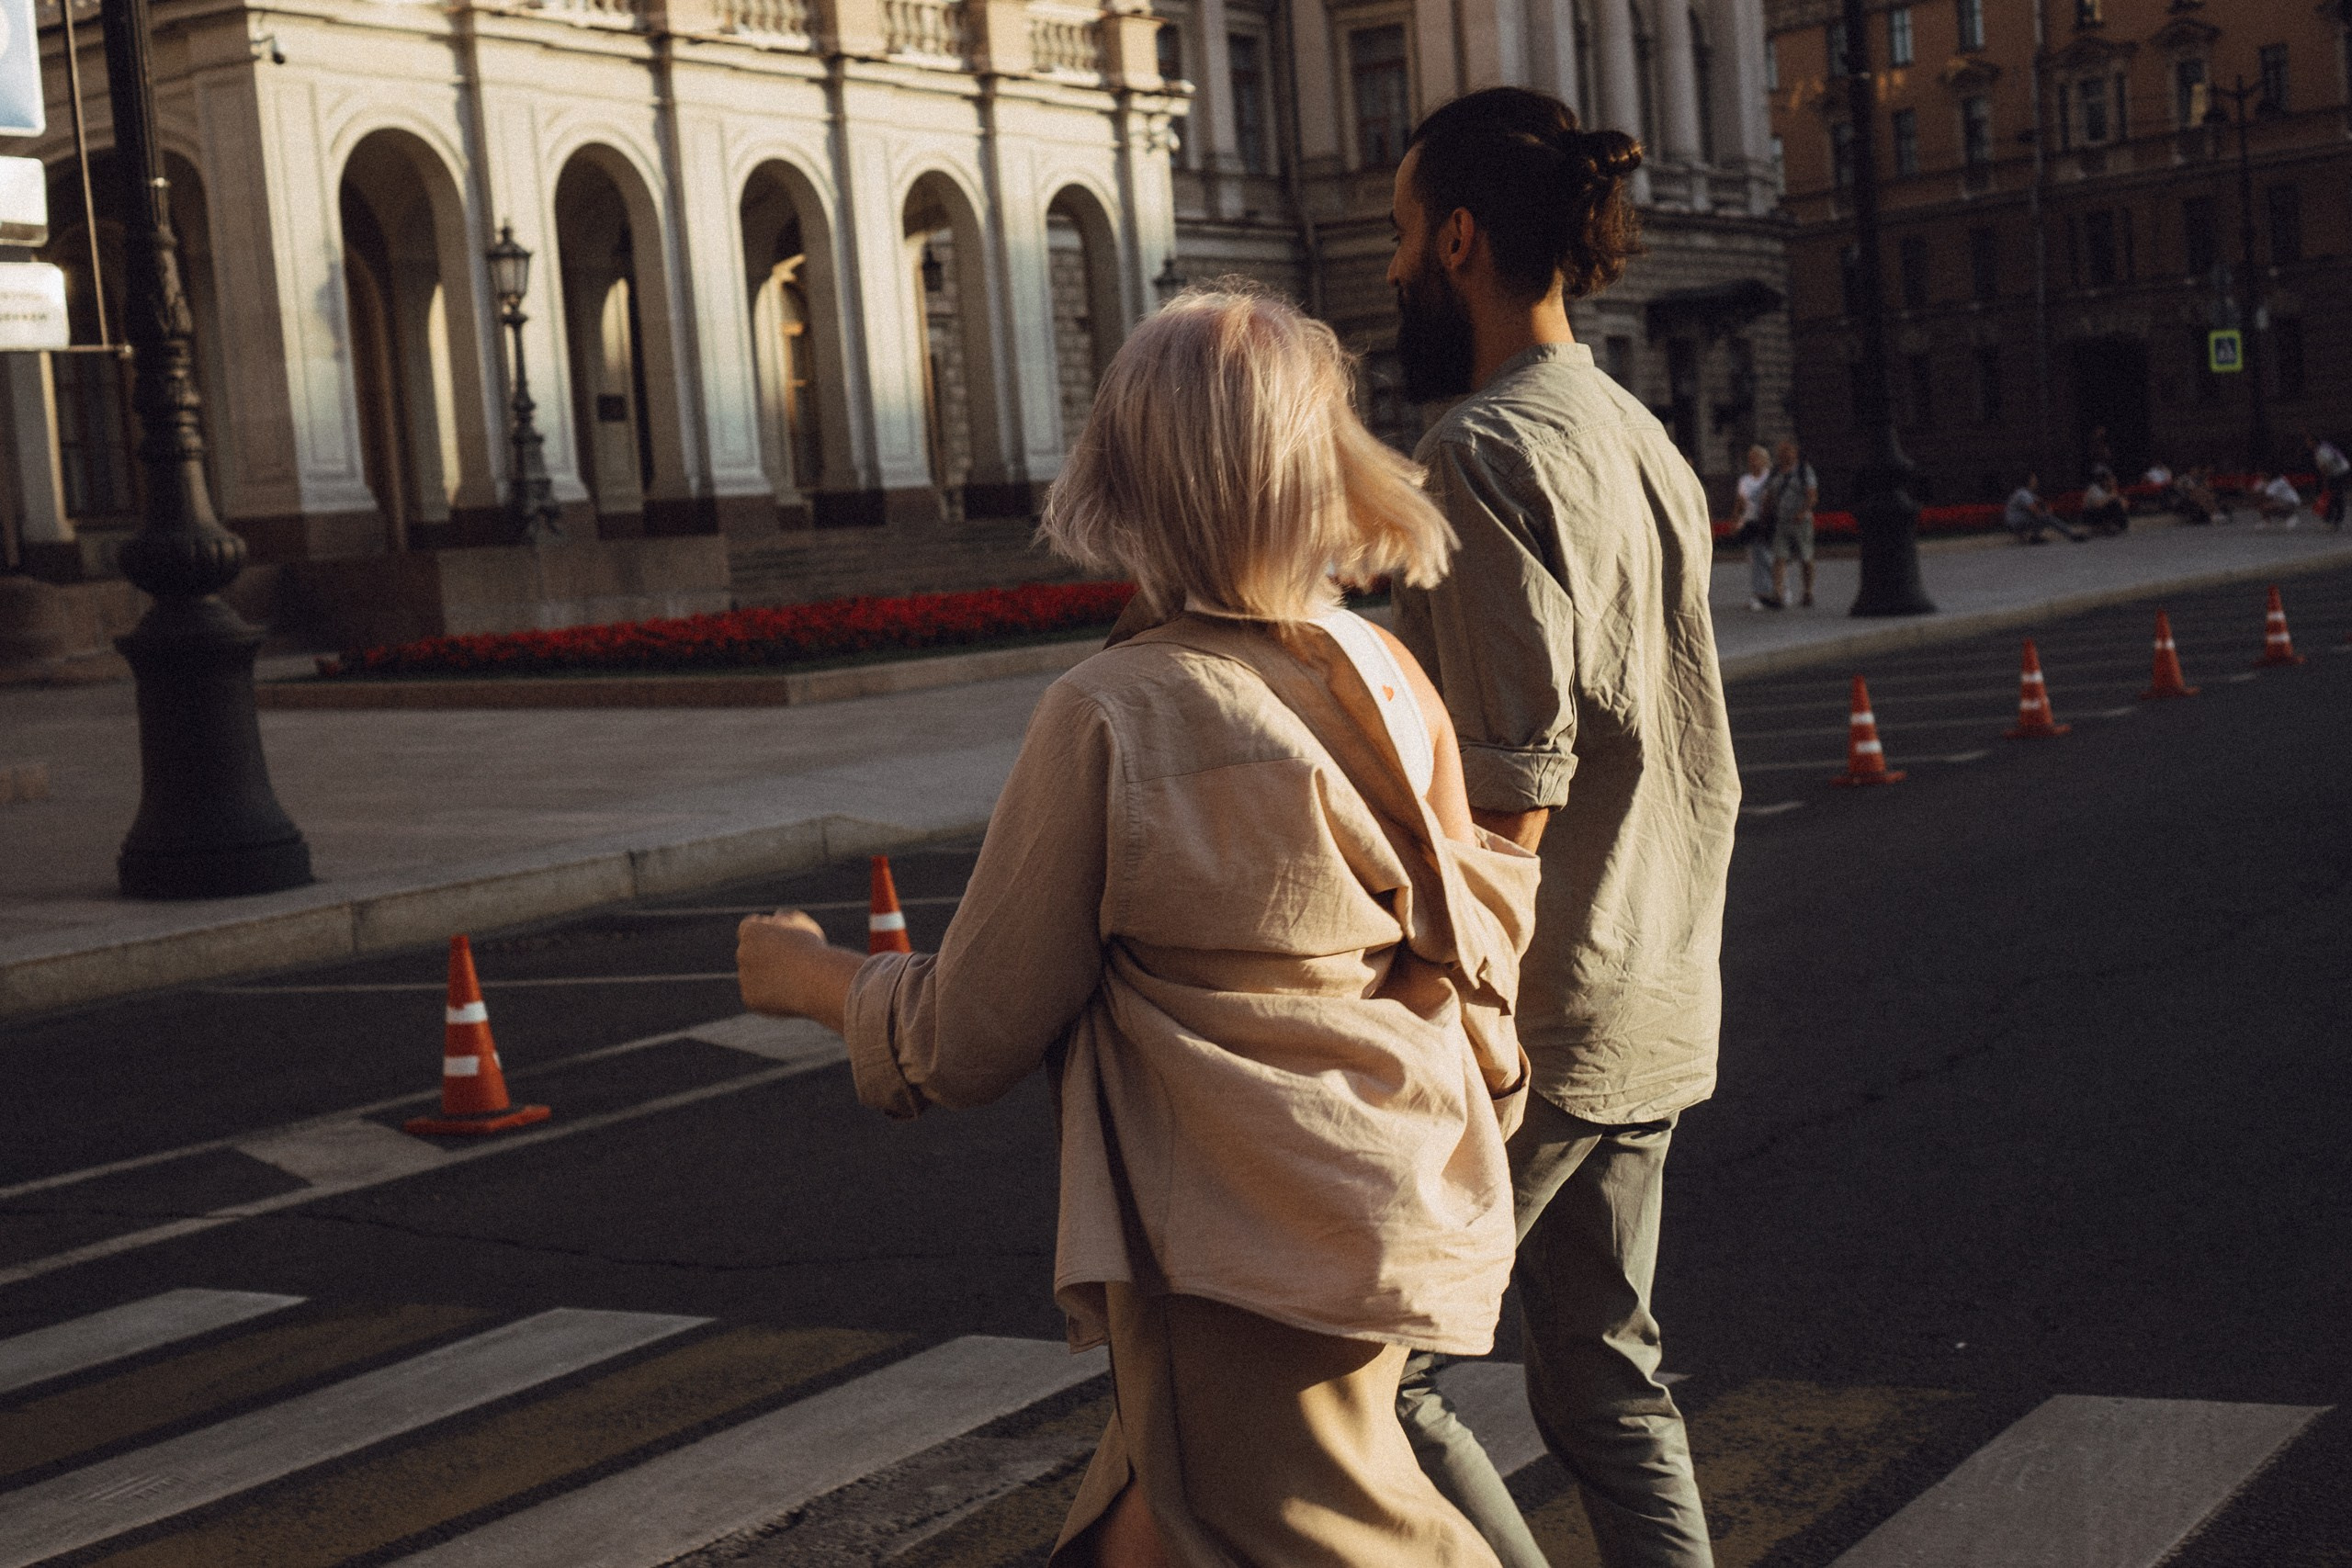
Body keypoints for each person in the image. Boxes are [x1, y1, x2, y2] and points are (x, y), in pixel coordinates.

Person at [738, 287, 1542, 1568]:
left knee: (1338, 1538)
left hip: (1238, 1238)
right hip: (1379, 1195)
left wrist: (803, 972)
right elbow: (1477, 929)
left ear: (1129, 477)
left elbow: (968, 1030)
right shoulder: (1384, 670)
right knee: (1151, 1518)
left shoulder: (1112, 710)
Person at [1383, 85, 1738, 1568]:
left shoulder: (1478, 448)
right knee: (1605, 1371)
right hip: (1659, 980)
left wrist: (1430, 995)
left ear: (1459, 238)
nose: (1393, 267)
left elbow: (1517, 779)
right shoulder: (1629, 426)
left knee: (1373, 1379)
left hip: (1540, 1011)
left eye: (1402, 236)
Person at [1765, 439, 1820, 608]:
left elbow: (1812, 495)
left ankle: (1808, 592)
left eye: (1787, 450)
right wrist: (1767, 512)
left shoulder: (1804, 471)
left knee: (1806, 557)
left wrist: (1803, 512)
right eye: (1781, 451)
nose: (1783, 454)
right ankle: (1778, 594)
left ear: (1795, 452)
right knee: (1779, 557)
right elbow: (1770, 494)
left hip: (1801, 521)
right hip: (1782, 521)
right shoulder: (1775, 472)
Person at [1736, 443, 1778, 610]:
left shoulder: (1770, 478)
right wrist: (1736, 520)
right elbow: (1739, 503)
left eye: (1756, 459)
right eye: (1750, 459)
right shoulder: (1744, 480)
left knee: (1771, 558)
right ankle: (1759, 594)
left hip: (1768, 523)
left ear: (1764, 460)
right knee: (1754, 560)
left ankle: (1778, 591)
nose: (1753, 462)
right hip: (1751, 523)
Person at [2005, 473, 2086, 544]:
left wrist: (2046, 509)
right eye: (2034, 479)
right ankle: (2071, 535)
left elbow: (2041, 501)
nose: (2036, 481)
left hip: (2019, 521)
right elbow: (2034, 509)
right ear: (2029, 481)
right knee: (2046, 518)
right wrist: (2047, 515)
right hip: (2016, 523)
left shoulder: (2027, 493)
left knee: (2044, 517)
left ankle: (2035, 537)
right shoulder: (2023, 493)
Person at [2305, 433, 2347, 529]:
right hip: (2340, 470)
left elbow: (2327, 465)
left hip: (2337, 472)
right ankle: (2332, 519)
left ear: (2313, 442)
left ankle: (2334, 520)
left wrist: (2326, 479)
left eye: (2308, 442)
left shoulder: (2321, 451)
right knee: (2334, 495)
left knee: (2334, 496)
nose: (2307, 444)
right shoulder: (2324, 446)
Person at [2079, 467, 2129, 536]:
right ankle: (2098, 528)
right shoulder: (2094, 489)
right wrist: (2111, 497)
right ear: (2105, 481)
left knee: (2116, 504)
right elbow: (2098, 505)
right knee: (2113, 503)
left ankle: (2115, 527)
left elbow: (2124, 506)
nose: (2113, 481)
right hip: (2091, 514)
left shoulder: (2111, 490)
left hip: (2102, 512)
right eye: (2110, 479)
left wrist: (2115, 495)